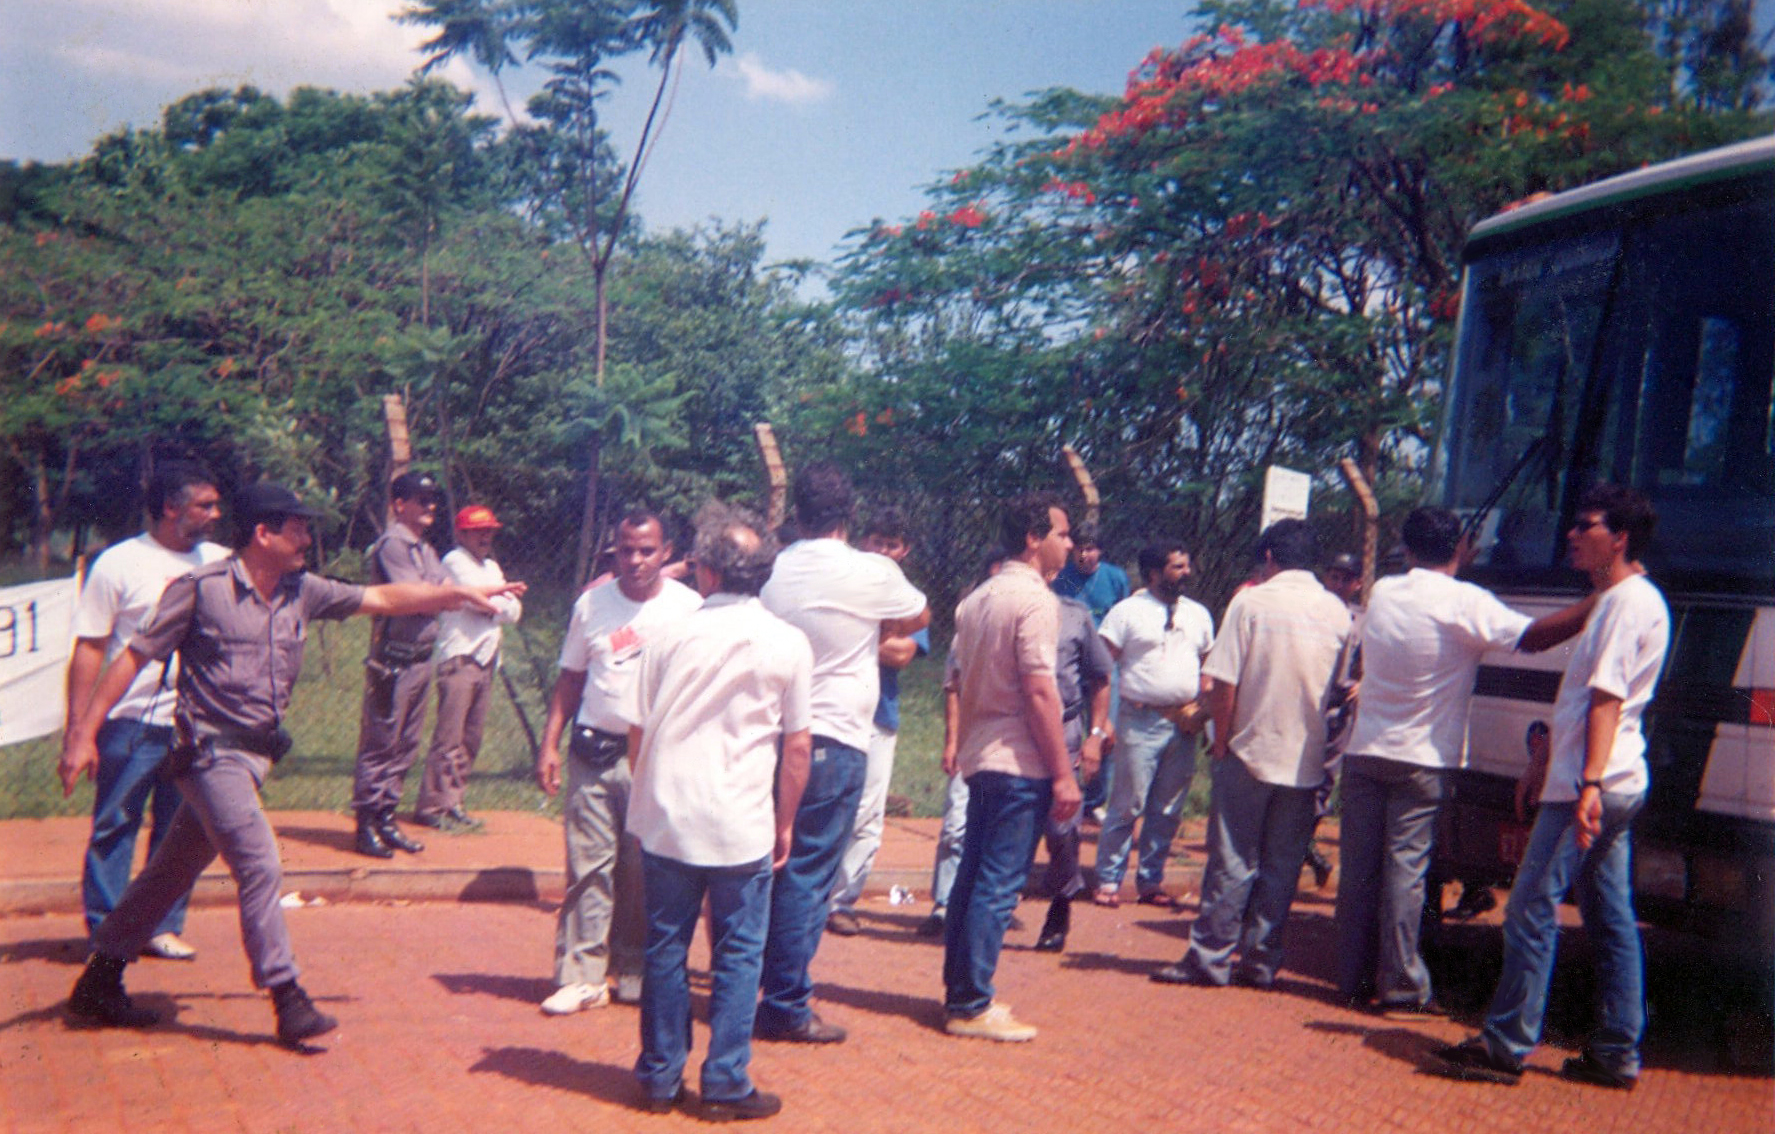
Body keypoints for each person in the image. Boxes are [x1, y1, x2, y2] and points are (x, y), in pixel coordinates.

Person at [60, 482, 518, 1048]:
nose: (306, 538)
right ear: (263, 533)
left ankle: (99, 978)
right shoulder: (201, 590)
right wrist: (82, 734)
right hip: (207, 752)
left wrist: (456, 597)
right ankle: (286, 995)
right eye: (297, 527)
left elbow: (379, 598)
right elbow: (133, 656)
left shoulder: (303, 590)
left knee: (170, 872)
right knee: (259, 864)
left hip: (253, 757)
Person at [1431, 485, 1668, 1091]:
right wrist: (1545, 757)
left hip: (1593, 784)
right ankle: (1616, 1052)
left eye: (1584, 525)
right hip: (1605, 779)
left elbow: (1607, 702)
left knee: (1532, 907)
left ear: (1619, 537)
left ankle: (1506, 1044)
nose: (1570, 534)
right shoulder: (1617, 599)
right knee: (1610, 917)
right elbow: (1583, 699)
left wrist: (1584, 782)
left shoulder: (1625, 604)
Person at [1332, 508, 1594, 1017]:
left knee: (1360, 871)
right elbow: (1534, 638)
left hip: (1364, 752)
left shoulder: (1384, 590)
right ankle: (1402, 988)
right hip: (1422, 759)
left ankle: (1351, 977)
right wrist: (1598, 603)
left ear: (1406, 549)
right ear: (1464, 549)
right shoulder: (1467, 601)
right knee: (1405, 874)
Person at [627, 506, 813, 1121]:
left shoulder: (667, 635)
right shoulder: (787, 641)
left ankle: (659, 1077)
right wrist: (784, 821)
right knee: (737, 953)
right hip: (741, 820)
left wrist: (649, 794)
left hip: (668, 817)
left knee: (664, 947)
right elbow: (797, 747)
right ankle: (726, 1082)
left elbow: (638, 732)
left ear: (704, 572)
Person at [756, 463, 928, 1045]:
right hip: (835, 736)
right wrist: (871, 626)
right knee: (809, 871)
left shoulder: (773, 567)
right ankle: (784, 1002)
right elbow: (919, 615)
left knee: (765, 864)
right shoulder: (871, 569)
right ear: (848, 516)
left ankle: (752, 981)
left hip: (772, 735)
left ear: (796, 514)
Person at [1152, 519, 1351, 989]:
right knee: (1282, 865)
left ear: (1268, 558)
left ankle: (1210, 957)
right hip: (1305, 757)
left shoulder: (1251, 602)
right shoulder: (1337, 612)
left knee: (1233, 860)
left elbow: (1225, 682)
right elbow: (1343, 686)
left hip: (1249, 748)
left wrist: (1220, 740)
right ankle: (1261, 961)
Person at [60, 461, 227, 962]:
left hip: (194, 722)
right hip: (130, 721)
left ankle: (160, 926)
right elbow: (90, 647)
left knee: (180, 831)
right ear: (170, 508)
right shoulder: (117, 563)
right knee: (116, 824)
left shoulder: (219, 561)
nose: (216, 514)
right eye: (205, 505)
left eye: (216, 505)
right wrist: (78, 732)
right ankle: (108, 931)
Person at [536, 510, 701, 1015]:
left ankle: (632, 966)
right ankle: (581, 974)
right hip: (595, 751)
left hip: (655, 758)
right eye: (626, 550)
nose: (635, 560)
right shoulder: (592, 606)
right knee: (588, 867)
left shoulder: (690, 609)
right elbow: (570, 679)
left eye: (646, 550)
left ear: (667, 552)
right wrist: (549, 744)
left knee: (643, 869)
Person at [942, 492, 1082, 1042]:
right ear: (1033, 537)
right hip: (1019, 762)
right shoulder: (1037, 601)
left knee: (974, 879)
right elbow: (1041, 692)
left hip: (982, 757)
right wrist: (1064, 774)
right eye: (1062, 533)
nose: (1068, 544)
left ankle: (963, 994)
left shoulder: (976, 598)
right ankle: (972, 1003)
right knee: (998, 885)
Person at [1092, 543, 1215, 908]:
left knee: (1167, 809)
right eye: (1177, 566)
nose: (1186, 572)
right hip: (1139, 720)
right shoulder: (1127, 612)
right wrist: (1104, 722)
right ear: (1154, 574)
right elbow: (1102, 669)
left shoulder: (1198, 615)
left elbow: (1209, 667)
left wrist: (1205, 715)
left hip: (1184, 724)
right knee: (1128, 804)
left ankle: (1151, 881)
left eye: (1186, 565)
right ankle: (1109, 880)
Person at [827, 507, 931, 937]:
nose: (883, 550)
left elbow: (903, 654)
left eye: (892, 544)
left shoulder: (907, 597)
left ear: (903, 551)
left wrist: (856, 636)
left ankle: (841, 900)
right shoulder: (844, 584)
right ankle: (807, 896)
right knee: (825, 805)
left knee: (867, 812)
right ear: (861, 542)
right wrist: (879, 636)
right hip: (833, 709)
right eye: (876, 542)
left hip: (880, 714)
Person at [350, 470, 448, 858]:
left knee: (405, 745)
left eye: (432, 500)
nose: (429, 507)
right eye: (420, 500)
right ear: (399, 504)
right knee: (380, 743)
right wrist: (435, 595)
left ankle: (387, 818)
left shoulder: (425, 548)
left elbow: (441, 593)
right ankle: (366, 823)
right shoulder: (393, 544)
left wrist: (437, 594)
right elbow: (420, 598)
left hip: (421, 660)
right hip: (393, 660)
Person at [411, 504, 522, 832]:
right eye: (477, 530)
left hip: (487, 658)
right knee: (449, 736)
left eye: (489, 530)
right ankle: (431, 806)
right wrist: (496, 604)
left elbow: (511, 610)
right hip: (460, 657)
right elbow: (480, 601)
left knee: (470, 738)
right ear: (461, 534)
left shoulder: (490, 566)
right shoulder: (454, 561)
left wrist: (496, 605)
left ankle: (453, 801)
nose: (485, 535)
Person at [1031, 592, 1113, 952]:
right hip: (1015, 730)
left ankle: (1060, 904)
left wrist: (1095, 736)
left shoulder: (1076, 615)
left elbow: (1101, 677)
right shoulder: (1000, 605)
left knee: (1062, 827)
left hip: (1064, 729)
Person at [1306, 550, 1366, 889]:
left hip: (1339, 710)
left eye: (1346, 578)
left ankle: (1306, 845)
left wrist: (1364, 683)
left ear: (1357, 583)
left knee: (1324, 782)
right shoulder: (1313, 611)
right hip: (1309, 702)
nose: (1338, 583)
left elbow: (1370, 660)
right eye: (1333, 576)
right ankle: (1301, 848)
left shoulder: (1362, 619)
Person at [1050, 524, 1129, 625]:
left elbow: (1123, 617)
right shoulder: (1061, 577)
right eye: (1079, 549)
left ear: (1099, 551)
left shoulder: (1116, 578)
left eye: (1089, 549)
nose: (1083, 555)